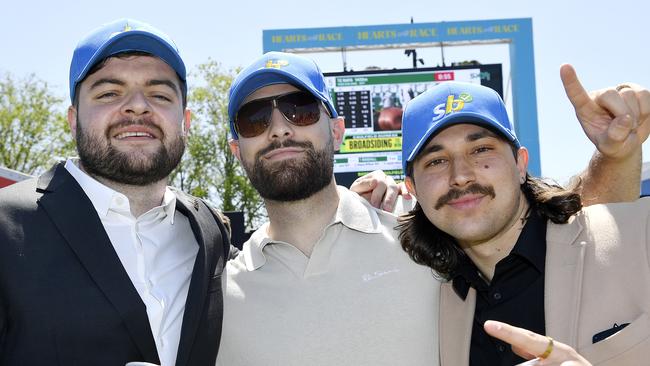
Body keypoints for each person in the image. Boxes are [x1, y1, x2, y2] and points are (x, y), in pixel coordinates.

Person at [0, 19, 231, 366]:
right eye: (109, 92)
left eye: (159, 94)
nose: (138, 106)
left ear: (185, 121)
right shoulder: (6, 226)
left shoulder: (209, 230)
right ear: (73, 118)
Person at [398, 71, 650, 365]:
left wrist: (618, 155)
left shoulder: (638, 239)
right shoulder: (431, 305)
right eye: (436, 161)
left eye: (481, 150)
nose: (461, 176)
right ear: (412, 188)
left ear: (520, 164)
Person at [217, 51, 440, 365]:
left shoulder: (426, 233)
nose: (279, 129)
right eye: (254, 119)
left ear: (337, 132)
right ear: (237, 152)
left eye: (301, 110)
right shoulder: (221, 299)